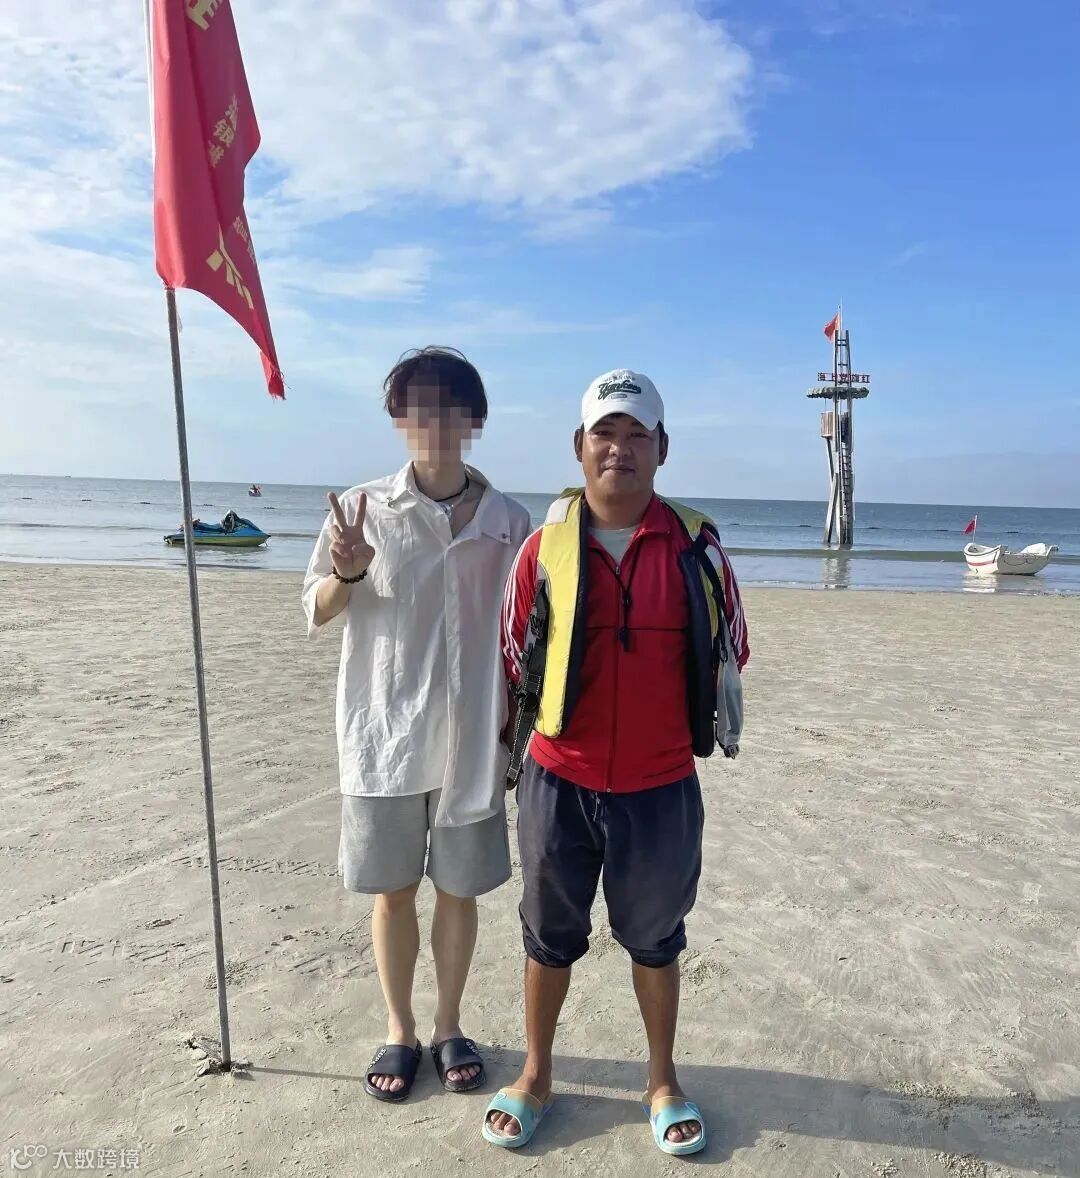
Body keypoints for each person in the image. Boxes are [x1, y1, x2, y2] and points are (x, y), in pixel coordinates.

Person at [484, 369, 749, 1155]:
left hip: (661, 787)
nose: (620, 449)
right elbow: (511, 657)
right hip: (556, 780)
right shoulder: (543, 550)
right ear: (579, 445)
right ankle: (536, 1074)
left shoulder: (698, 549)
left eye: (638, 435)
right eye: (605, 433)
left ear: (663, 449)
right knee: (547, 936)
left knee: (657, 939)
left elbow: (733, 646)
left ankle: (662, 1080)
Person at [302, 347, 532, 1103]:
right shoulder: (362, 509)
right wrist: (347, 571)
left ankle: (449, 1024)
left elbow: (526, 631)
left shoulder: (508, 521)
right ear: (399, 418)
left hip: (475, 739)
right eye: (418, 407)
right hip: (385, 736)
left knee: (459, 891)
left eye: (450, 407)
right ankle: (399, 1028)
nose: (434, 422)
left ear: (475, 419)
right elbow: (316, 609)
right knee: (394, 891)